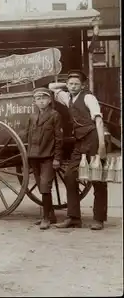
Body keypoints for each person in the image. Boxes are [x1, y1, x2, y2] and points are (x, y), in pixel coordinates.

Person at [49, 69, 108, 230]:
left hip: (94, 139)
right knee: (69, 176)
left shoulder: (89, 97)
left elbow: (99, 122)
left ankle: (99, 219)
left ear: (83, 85)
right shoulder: (67, 96)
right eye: (70, 84)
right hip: (79, 142)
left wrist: (102, 146)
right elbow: (52, 86)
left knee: (97, 179)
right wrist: (67, 82)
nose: (73, 86)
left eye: (76, 84)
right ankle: (74, 218)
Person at [24, 87, 63, 230]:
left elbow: (59, 139)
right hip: (34, 157)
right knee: (41, 187)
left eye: (44, 98)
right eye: (38, 99)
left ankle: (46, 218)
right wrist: (27, 156)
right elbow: (27, 137)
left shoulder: (55, 115)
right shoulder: (32, 117)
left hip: (48, 156)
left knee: (45, 186)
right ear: (34, 102)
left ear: (50, 100)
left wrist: (57, 158)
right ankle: (50, 215)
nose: (41, 101)